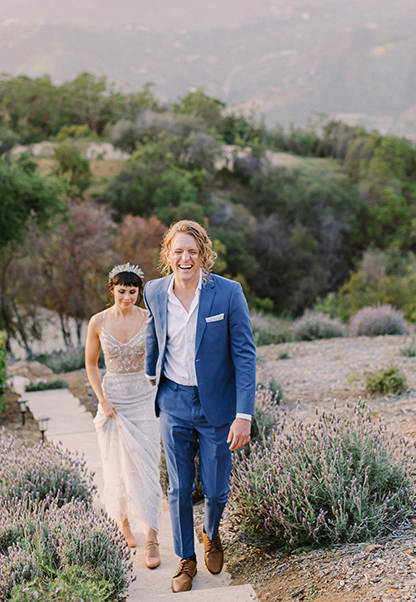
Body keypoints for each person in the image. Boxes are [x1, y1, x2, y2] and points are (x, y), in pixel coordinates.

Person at [144, 220, 256, 593]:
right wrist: (151, 374)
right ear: (168, 255)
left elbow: (244, 355)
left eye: (192, 251)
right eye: (178, 251)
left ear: (203, 253)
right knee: (178, 489)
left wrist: (244, 415)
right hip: (173, 401)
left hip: (217, 408)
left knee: (217, 489)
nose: (185, 258)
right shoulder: (155, 291)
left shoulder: (227, 293)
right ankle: (185, 560)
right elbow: (153, 333)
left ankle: (211, 533)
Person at [85, 262, 162, 570]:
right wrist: (102, 400)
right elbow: (91, 364)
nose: (127, 297)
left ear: (139, 292)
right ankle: (125, 523)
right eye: (122, 291)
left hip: (144, 398)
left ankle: (153, 535)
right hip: (113, 398)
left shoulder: (150, 319)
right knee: (115, 464)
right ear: (112, 290)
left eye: (133, 291)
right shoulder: (97, 321)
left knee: (147, 466)